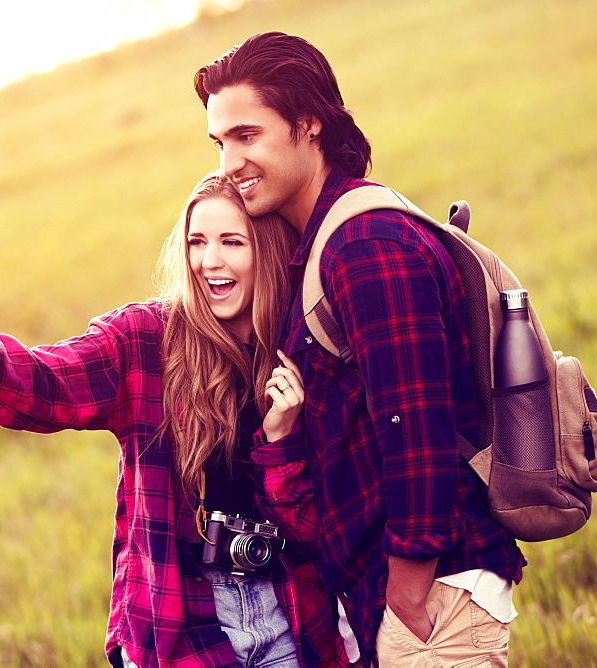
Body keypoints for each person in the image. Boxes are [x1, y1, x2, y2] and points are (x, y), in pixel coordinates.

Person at [0, 172, 343, 667]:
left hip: (292, 616)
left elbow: (323, 526)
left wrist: (281, 444)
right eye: (196, 242)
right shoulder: (145, 339)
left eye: (231, 242)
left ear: (271, 250)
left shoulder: (307, 347)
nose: (209, 261)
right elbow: (46, 383)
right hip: (179, 623)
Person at [194, 32, 527, 666]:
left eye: (246, 136)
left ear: (309, 124)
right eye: (218, 142)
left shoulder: (365, 243)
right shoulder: (323, 241)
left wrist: (406, 592)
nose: (229, 162)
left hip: (433, 591)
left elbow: (416, 422)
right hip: (399, 587)